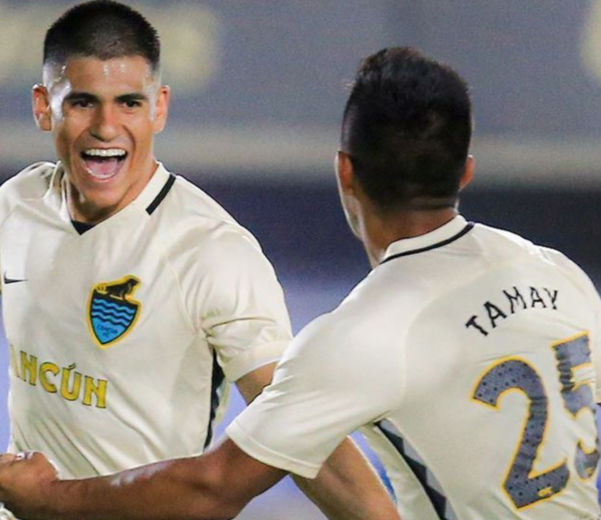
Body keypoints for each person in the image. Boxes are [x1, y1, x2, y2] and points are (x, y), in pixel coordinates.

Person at [1, 45, 600, 520]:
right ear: (465, 171)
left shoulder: (362, 333)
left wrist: (48, 498)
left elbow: (213, 487)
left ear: (344, 172)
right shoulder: (559, 272)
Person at [0, 1, 399, 519]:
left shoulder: (209, 250)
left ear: (159, 108)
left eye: (129, 103)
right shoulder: (18, 206)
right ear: (43, 107)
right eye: (82, 102)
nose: (106, 127)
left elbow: (297, 431)